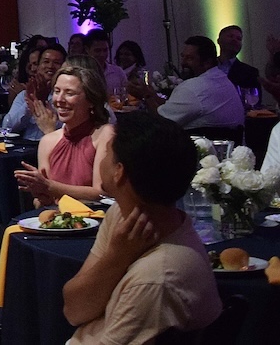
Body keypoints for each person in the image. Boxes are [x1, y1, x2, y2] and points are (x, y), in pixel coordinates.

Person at [61, 112, 221, 345]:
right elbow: (74, 310)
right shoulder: (123, 217)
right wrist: (117, 257)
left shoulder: (156, 280)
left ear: (119, 172)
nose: (100, 158)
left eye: (106, 152)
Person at [14, 59, 113, 204]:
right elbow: (43, 202)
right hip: (58, 216)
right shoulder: (47, 141)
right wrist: (41, 195)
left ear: (91, 100)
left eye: (69, 93)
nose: (59, 99)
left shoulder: (105, 134)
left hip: (94, 216)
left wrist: (50, 186)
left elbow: (101, 193)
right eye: (57, 91)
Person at [132, 36, 245, 129]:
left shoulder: (192, 88)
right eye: (183, 57)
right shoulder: (223, 79)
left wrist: (145, 96)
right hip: (226, 146)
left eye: (190, 58)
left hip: (195, 148)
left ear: (207, 62)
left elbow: (162, 123)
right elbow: (173, 108)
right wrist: (152, 95)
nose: (183, 63)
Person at [3, 44, 66, 141]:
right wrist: (31, 103)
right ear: (38, 66)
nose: (50, 66)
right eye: (46, 61)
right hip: (26, 147)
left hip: (54, 145)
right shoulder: (24, 95)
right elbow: (7, 127)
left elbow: (64, 129)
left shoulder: (65, 97)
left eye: (56, 62)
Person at [215, 24, 262, 100]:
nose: (235, 40)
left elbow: (254, 101)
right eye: (230, 36)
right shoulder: (206, 66)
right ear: (219, 40)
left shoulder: (250, 72)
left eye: (239, 39)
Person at [84, 30, 129, 100]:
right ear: (87, 50)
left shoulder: (118, 72)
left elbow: (126, 94)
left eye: (105, 50)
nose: (102, 54)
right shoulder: (82, 72)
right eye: (97, 50)